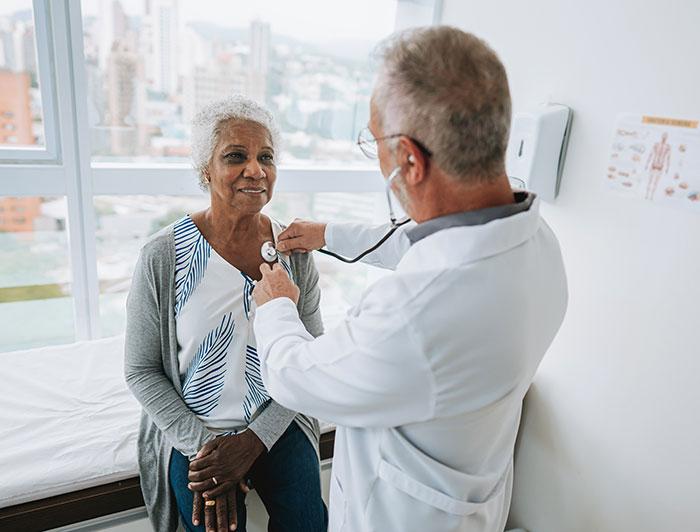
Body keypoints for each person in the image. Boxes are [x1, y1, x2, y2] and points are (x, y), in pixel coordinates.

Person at [249, 26, 569, 531]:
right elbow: (426, 239)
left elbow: (296, 375)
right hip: (470, 487)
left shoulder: (415, 314)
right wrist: (328, 233)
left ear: (410, 161)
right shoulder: (536, 241)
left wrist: (275, 307)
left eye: (372, 142)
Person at [124, 95, 328, 532]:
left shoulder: (293, 252)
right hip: (197, 432)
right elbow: (141, 370)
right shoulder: (165, 256)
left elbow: (309, 359)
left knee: (309, 523)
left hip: (276, 421)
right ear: (206, 170)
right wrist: (207, 448)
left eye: (266, 157)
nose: (255, 170)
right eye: (236, 156)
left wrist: (255, 441)